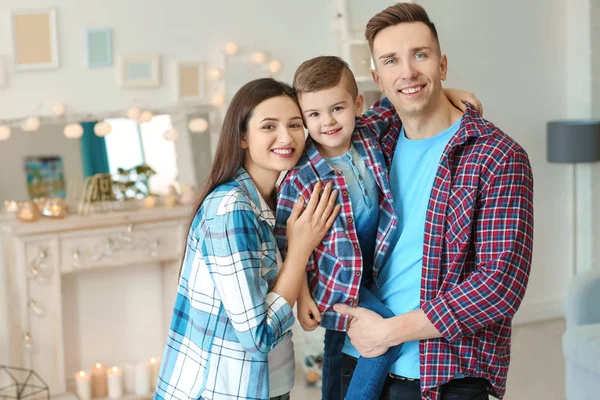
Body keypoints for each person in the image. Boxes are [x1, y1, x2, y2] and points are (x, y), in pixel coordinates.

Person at [333, 3, 534, 400]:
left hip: (440, 378)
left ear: (442, 65)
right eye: (392, 61)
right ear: (378, 78)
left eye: (419, 55)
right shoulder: (374, 145)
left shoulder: (496, 156)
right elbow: (317, 130)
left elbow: (499, 285)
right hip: (356, 361)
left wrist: (388, 332)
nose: (407, 72)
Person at [275, 56, 482, 400]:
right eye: (313, 115)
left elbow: (396, 101)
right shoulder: (300, 176)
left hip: (371, 267)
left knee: (337, 347)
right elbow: (287, 243)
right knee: (381, 333)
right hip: (335, 279)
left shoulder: (367, 133)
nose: (327, 122)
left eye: (337, 108)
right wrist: (303, 298)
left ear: (357, 105)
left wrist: (451, 92)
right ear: (302, 119)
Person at [155, 78, 340, 400]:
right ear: (242, 136)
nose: (286, 137)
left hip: (269, 384)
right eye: (269, 126)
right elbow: (257, 336)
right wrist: (300, 249)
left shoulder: (274, 200)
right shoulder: (232, 208)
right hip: (223, 390)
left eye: (295, 125)